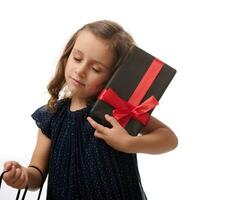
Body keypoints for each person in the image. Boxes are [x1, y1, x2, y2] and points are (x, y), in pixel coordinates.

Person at [2, 20, 178, 200]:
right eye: (77, 58)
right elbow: (37, 172)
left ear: (114, 76)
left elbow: (169, 138)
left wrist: (128, 143)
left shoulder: (115, 112)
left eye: (96, 68)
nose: (80, 70)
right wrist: (23, 176)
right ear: (67, 55)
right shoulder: (52, 115)